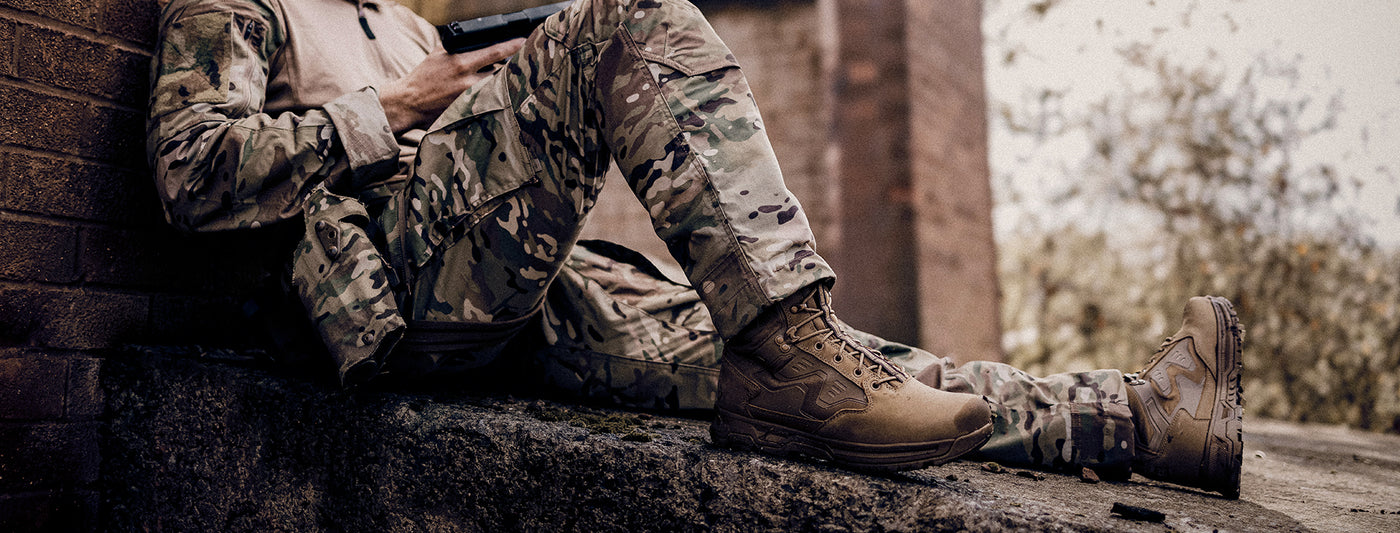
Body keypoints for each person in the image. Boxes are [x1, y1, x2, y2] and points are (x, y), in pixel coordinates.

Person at [148, 0, 1244, 497]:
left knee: (844, 368)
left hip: (526, 295)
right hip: (379, 293)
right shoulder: (236, 3)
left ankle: (1144, 420)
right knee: (620, 13)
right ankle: (789, 348)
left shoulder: (406, 21)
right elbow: (190, 169)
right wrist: (403, 103)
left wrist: (483, 95)